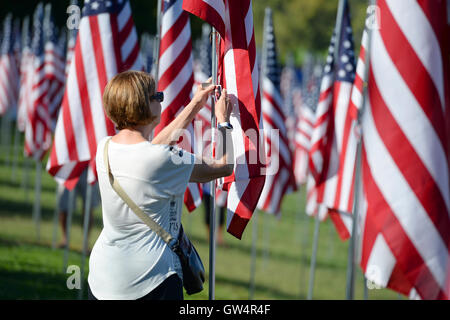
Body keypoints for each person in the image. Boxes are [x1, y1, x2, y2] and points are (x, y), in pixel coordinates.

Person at [87, 70, 233, 300]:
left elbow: (152, 150)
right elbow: (223, 167)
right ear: (140, 105)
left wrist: (195, 105)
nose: (161, 97)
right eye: (156, 95)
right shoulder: (161, 160)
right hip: (152, 280)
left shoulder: (103, 147)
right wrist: (224, 121)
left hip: (103, 277)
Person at [57, 169, 100, 249]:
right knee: (64, 206)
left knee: (88, 208)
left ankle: (86, 242)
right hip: (70, 167)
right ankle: (65, 239)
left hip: (89, 168)